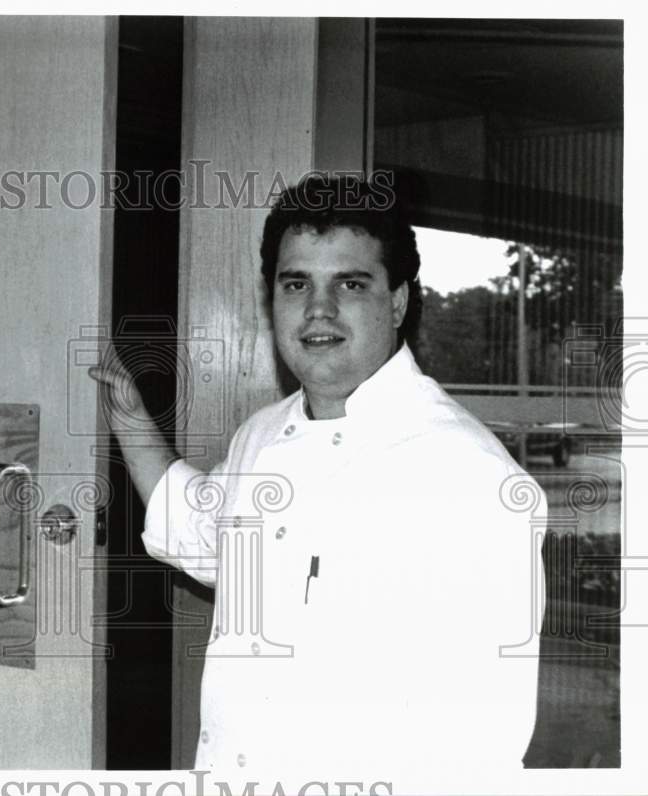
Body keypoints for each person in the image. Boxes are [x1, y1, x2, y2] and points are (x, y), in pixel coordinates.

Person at [89, 176, 545, 779]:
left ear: (399, 302)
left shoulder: (466, 477)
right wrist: (127, 416)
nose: (317, 311)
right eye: (296, 283)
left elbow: (479, 744)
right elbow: (200, 527)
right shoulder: (262, 433)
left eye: (350, 285)